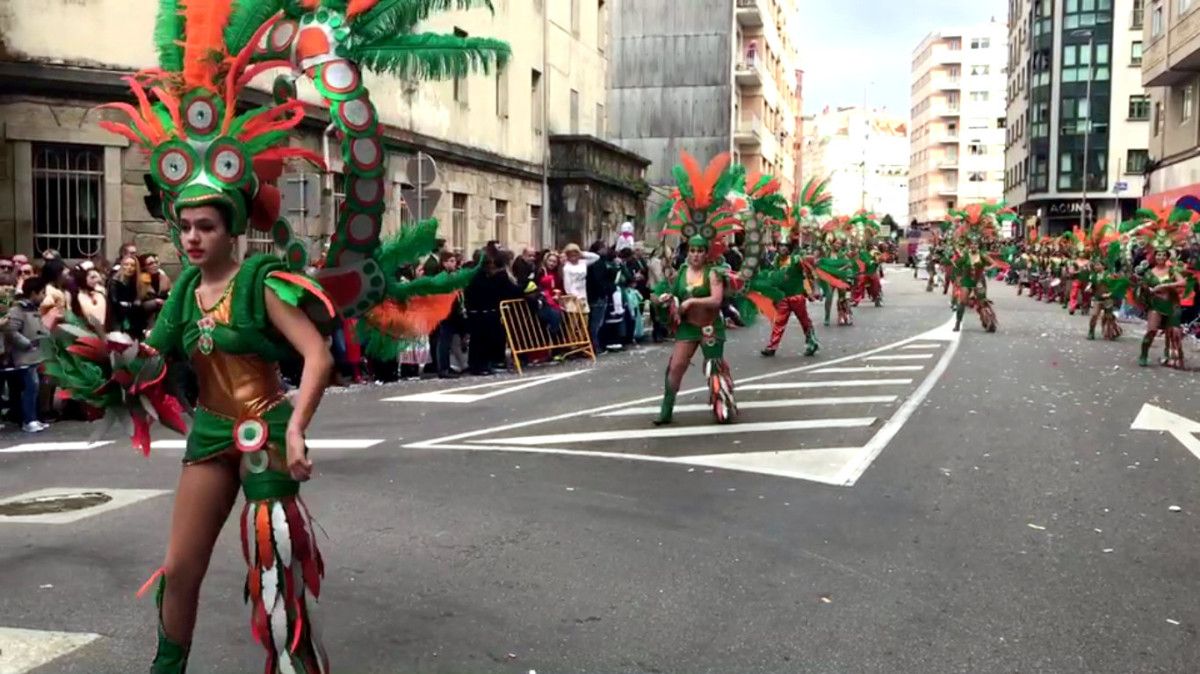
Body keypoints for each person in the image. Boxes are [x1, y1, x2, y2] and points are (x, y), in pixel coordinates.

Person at [5, 277, 50, 433]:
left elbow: (39, 328)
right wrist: (27, 344)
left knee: (36, 388)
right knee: (30, 388)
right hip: (24, 356)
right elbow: (11, 331)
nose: (44, 296)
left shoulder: (32, 309)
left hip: (36, 355)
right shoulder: (18, 310)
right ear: (33, 293)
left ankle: (35, 418)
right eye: (42, 293)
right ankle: (28, 420)